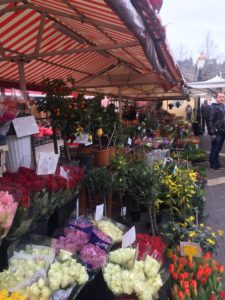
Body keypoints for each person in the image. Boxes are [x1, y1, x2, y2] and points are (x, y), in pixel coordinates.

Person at [207, 92, 225, 170]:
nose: (222, 98)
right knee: (215, 149)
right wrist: (212, 133)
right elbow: (209, 121)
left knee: (218, 149)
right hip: (216, 132)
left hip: (222, 131)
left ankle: (217, 163)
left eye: (223, 97)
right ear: (216, 98)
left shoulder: (223, 106)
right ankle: (213, 165)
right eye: (220, 97)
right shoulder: (213, 107)